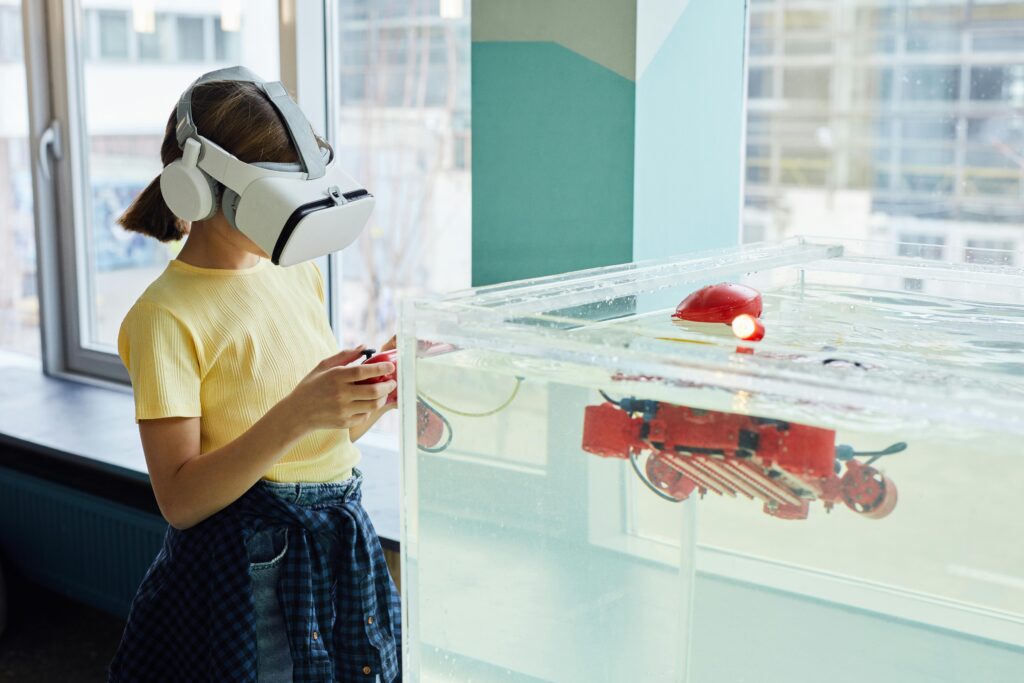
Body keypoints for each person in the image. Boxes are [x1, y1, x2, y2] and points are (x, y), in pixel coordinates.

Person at [106, 71, 401, 682]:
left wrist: (370, 398)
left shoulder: (293, 273)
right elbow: (181, 501)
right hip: (249, 570)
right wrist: (300, 410)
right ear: (196, 191)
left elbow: (312, 448)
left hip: (338, 543)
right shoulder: (164, 317)